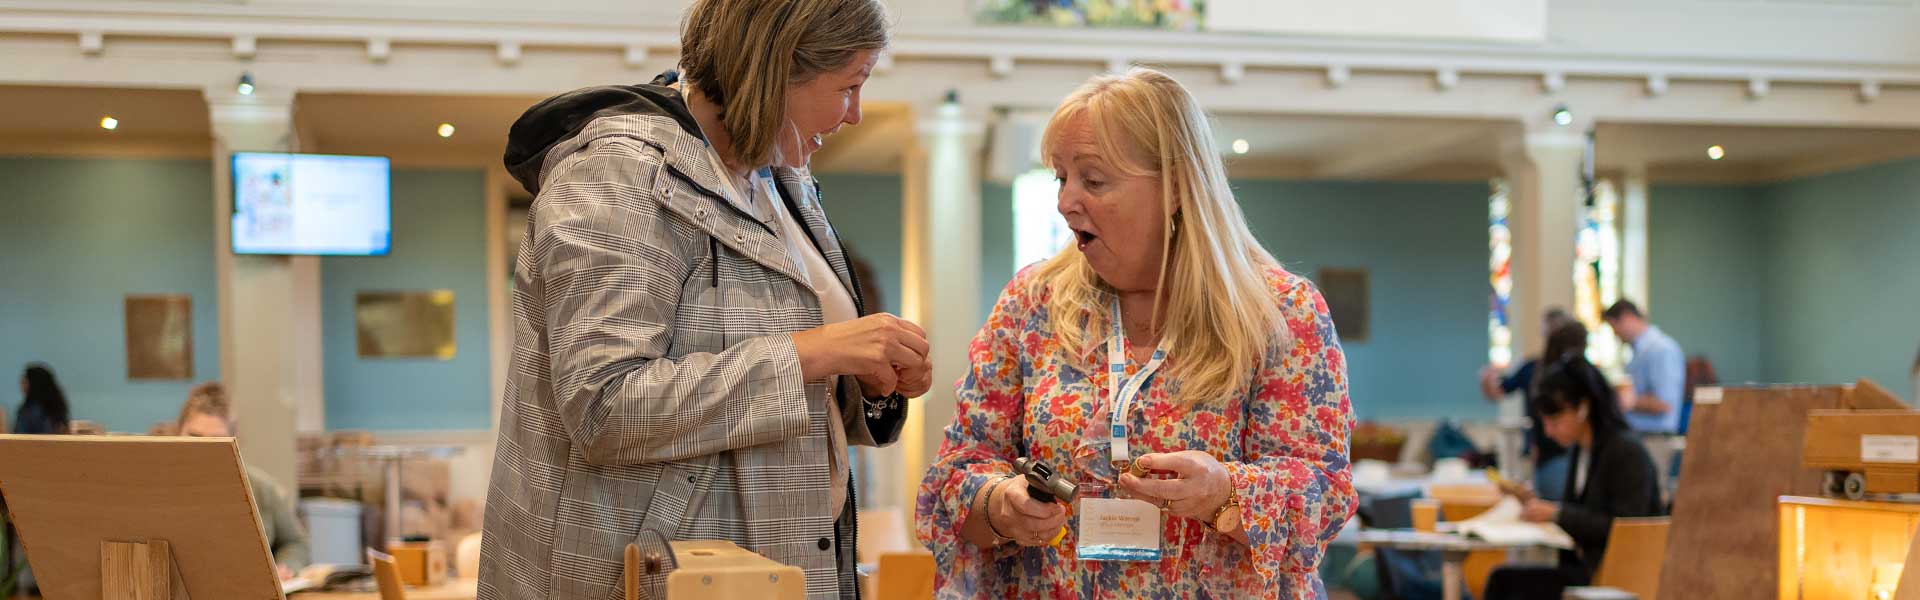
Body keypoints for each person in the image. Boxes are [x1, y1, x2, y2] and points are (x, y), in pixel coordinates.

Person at [479, 1, 930, 598]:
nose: (855, 114)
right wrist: (813, 353)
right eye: (850, 86)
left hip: (773, 569)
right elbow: (605, 406)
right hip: (649, 575)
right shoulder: (617, 176)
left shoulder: (776, 183)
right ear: (778, 68)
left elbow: (788, 404)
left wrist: (867, 379)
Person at [914, 67, 1357, 599]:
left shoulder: (1280, 312)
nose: (1065, 201)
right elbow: (954, 475)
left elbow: (1324, 495)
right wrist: (999, 501)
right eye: (1061, 177)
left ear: (1174, 185)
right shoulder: (1033, 303)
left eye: (1093, 180)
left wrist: (1225, 493)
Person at [1483, 352, 1663, 600]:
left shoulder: (1626, 450)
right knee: (1502, 579)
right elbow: (1580, 513)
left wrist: (1557, 513)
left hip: (1616, 573)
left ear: (1583, 408)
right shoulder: (1581, 449)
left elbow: (1627, 528)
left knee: (1507, 584)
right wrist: (1537, 506)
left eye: (1555, 421)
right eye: (1544, 422)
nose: (1548, 431)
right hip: (1584, 567)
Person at [175, 382, 310, 579]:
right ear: (178, 431)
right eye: (194, 437)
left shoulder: (262, 488)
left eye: (216, 441)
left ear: (234, 440)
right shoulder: (157, 486)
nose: (202, 449)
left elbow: (296, 543)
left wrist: (287, 565)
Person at [1479, 308, 1576, 498]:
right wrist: (1487, 378)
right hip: (1544, 454)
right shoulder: (1533, 368)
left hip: (1563, 454)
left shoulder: (1570, 372)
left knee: (1558, 512)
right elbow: (1496, 391)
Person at [1602, 300, 1685, 433]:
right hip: (1638, 435)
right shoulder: (1637, 352)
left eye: (1614, 327)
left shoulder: (1662, 349)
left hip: (1655, 438)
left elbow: (1665, 404)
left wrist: (1630, 401)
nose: (1615, 334)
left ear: (1628, 317)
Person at [14, 364, 71, 435]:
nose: (21, 384)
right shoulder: (57, 408)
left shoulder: (29, 411)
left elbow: (20, 436)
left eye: (25, 381)